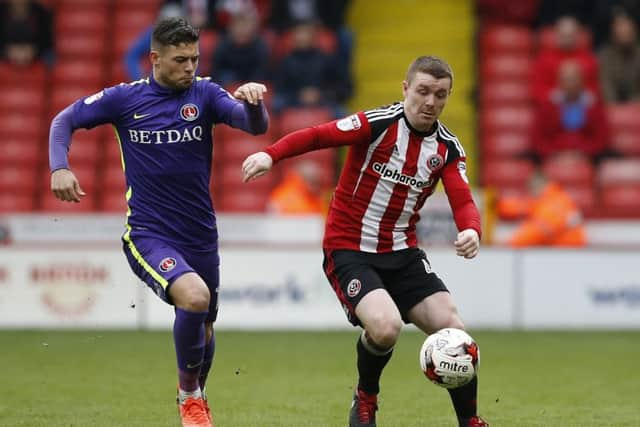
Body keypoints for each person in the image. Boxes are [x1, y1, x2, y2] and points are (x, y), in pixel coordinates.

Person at [242, 56, 488, 427]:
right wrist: (270, 154)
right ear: (406, 89)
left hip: (402, 252)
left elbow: (463, 200)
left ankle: (469, 420)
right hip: (349, 248)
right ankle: (365, 398)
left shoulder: (447, 149)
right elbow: (318, 135)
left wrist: (471, 229)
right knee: (385, 327)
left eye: (441, 95)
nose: (431, 102)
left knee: (454, 330)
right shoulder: (376, 124)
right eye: (423, 91)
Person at [48, 17, 268, 427]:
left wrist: (254, 104)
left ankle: (196, 395)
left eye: (195, 59)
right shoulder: (124, 99)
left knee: (204, 327)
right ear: (154, 59)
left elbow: (253, 126)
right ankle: (189, 398)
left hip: (200, 233)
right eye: (181, 59)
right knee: (195, 298)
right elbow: (64, 120)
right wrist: (59, 167)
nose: (190, 67)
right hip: (149, 233)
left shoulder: (205, 94)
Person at [532, 60, 609, 162]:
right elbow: (538, 139)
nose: (570, 84)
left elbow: (601, 138)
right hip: (553, 155)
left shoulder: (594, 104)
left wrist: (584, 153)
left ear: (582, 81)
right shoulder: (548, 105)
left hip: (588, 155)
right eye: (566, 80)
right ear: (559, 82)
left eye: (574, 79)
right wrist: (555, 154)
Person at [502, 170, 587, 247]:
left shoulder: (556, 202)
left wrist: (513, 242)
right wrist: (497, 204)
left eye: (532, 187)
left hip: (569, 252)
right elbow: (518, 205)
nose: (530, 192)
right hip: (560, 250)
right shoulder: (543, 200)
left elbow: (539, 230)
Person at [530, 15, 600, 104]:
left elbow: (595, 90)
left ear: (577, 35)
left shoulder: (589, 59)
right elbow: (537, 90)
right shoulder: (543, 59)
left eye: (570, 35)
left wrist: (583, 96)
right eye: (563, 35)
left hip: (583, 107)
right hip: (553, 106)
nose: (567, 39)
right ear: (556, 34)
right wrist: (555, 96)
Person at [210, 6, 269, 87]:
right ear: (231, 28)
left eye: (245, 26)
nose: (241, 30)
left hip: (251, 83)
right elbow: (216, 71)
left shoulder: (259, 46)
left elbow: (260, 73)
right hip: (228, 83)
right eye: (238, 26)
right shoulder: (224, 45)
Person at [598, 12, 640, 103]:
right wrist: (614, 105)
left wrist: (633, 103)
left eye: (628, 33)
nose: (625, 37)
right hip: (612, 107)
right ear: (613, 35)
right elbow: (605, 86)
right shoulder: (605, 56)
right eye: (621, 33)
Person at [0, 0, 54, 66]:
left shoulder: (41, 12)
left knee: (50, 57)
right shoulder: (2, 11)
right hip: (5, 53)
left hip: (36, 54)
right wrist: (7, 51)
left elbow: (47, 41)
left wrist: (34, 51)